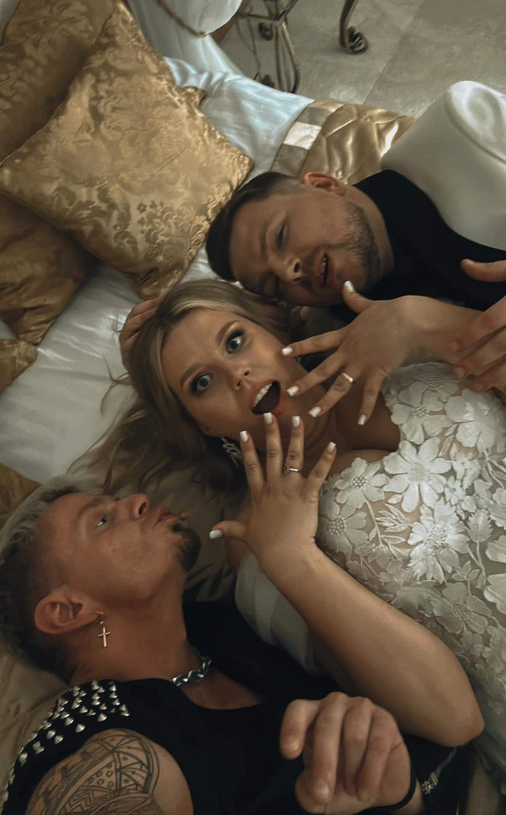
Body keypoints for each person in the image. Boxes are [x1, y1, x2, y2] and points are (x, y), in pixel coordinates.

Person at [111, 278, 506, 788]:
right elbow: (453, 718)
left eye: (235, 341)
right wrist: (292, 557)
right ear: (202, 426)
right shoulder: (257, 543)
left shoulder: (401, 346)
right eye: (201, 383)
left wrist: (424, 320)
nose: (237, 374)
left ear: (274, 331)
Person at [0, 443, 481, 814]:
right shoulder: (100, 743)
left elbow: (450, 720)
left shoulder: (222, 626)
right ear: (68, 611)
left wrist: (400, 798)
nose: (139, 500)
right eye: (102, 521)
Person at [204, 170, 506, 401]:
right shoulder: (347, 346)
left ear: (325, 185)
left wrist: (416, 320)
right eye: (274, 285)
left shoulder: (470, 143)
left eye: (280, 236)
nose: (288, 272)